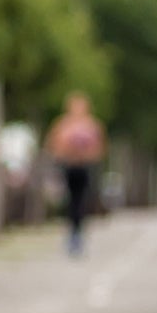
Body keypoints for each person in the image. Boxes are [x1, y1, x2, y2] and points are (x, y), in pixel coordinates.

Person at [45, 92, 106, 256]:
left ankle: (78, 234)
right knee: (69, 202)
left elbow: (99, 148)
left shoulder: (92, 125)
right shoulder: (62, 125)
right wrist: (67, 153)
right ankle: (71, 233)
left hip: (85, 168)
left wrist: (86, 155)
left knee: (81, 201)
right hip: (68, 167)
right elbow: (53, 145)